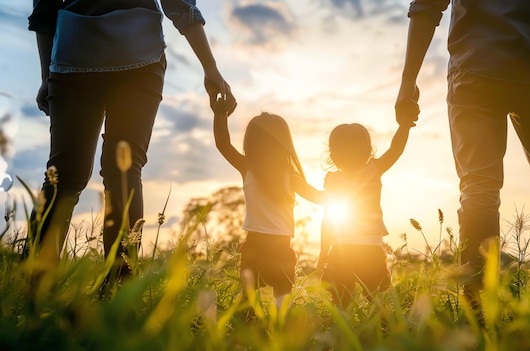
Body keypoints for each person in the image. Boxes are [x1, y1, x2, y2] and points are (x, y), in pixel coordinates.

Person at [395, 0, 530, 307]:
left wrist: (407, 82)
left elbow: (427, 7)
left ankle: (477, 310)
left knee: (478, 189)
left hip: (475, 68)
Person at [27, 0, 236, 282]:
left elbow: (44, 10)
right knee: (123, 171)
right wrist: (210, 67)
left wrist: (45, 75)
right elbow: (179, 4)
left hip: (75, 52)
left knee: (63, 177)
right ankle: (119, 290)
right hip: (139, 54)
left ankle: (33, 289)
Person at [212, 99, 323, 308]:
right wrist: (349, 187)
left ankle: (246, 327)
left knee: (248, 300)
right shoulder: (291, 177)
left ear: (251, 143)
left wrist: (219, 114)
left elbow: (223, 144)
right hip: (281, 247)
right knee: (282, 295)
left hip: (254, 246)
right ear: (284, 143)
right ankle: (280, 326)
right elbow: (319, 197)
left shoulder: (248, 168)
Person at [318, 121, 413, 308]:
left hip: (341, 250)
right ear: (369, 150)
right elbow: (395, 150)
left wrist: (323, 252)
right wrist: (405, 126)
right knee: (375, 297)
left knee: (341, 299)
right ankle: (381, 328)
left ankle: (342, 330)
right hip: (367, 250)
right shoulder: (373, 169)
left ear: (333, 155)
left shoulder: (333, 179)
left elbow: (328, 220)